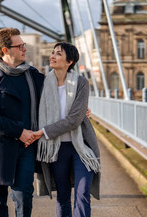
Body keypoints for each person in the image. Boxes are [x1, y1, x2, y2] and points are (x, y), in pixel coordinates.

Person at [0, 27, 44, 217]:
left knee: (24, 198)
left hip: (26, 148)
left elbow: (56, 94)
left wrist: (79, 107)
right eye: (20, 46)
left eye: (24, 45)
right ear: (5, 50)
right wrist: (19, 131)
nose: (24, 49)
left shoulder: (34, 76)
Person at [31, 42, 101, 217]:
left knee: (82, 193)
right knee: (62, 196)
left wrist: (43, 132)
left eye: (58, 54)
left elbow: (75, 119)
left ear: (69, 61)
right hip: (56, 149)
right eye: (52, 53)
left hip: (81, 146)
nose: (52, 56)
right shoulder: (43, 83)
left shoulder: (81, 83)